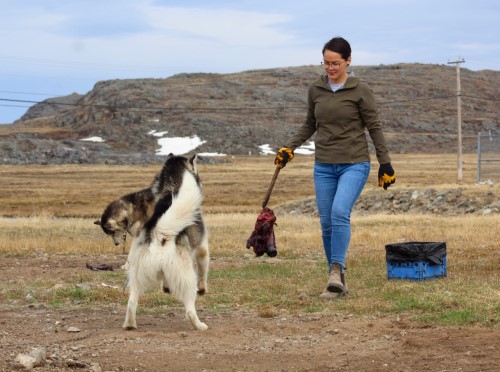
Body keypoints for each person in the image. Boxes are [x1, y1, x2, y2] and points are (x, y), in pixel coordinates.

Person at [274, 36, 396, 300]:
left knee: (340, 213)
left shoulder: (360, 90)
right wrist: (289, 147)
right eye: (326, 63)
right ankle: (337, 280)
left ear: (348, 61)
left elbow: (374, 127)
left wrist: (384, 163)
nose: (330, 68)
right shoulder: (316, 89)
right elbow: (309, 124)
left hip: (354, 163)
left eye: (335, 63)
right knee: (327, 223)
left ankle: (335, 270)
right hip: (324, 166)